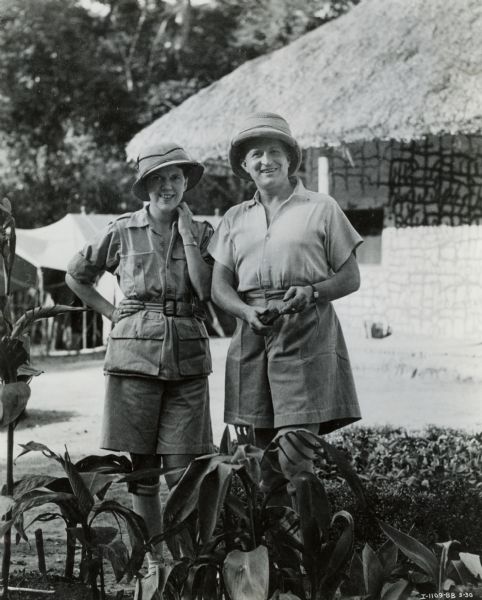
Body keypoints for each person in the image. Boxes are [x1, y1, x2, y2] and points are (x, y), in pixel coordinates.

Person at [66, 142, 214, 581]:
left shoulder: (204, 232)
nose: (168, 186)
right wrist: (112, 314)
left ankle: (188, 567)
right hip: (134, 354)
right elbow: (76, 274)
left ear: (186, 182)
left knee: (182, 472)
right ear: (146, 186)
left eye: (175, 177)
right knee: (144, 471)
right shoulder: (122, 231)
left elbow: (205, 291)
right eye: (159, 179)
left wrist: (187, 237)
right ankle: (154, 563)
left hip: (188, 355)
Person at [208, 112, 363, 498]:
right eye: (256, 153)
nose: (266, 160)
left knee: (296, 459)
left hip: (305, 333)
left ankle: (308, 553)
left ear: (290, 158)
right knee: (263, 464)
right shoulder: (234, 218)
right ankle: (277, 553)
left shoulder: (321, 208)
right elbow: (219, 286)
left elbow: (350, 277)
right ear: (245, 166)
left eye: (274, 151)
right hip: (252, 336)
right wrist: (245, 312)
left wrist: (312, 292)